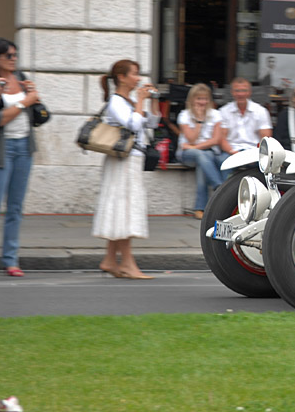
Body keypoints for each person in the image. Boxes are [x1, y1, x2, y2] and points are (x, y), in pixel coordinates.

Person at [93, 59, 160, 280]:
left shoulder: (130, 101)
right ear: (121, 77)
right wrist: (140, 100)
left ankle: (110, 260)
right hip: (123, 160)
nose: (139, 78)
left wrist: (152, 102)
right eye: (135, 74)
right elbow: (132, 124)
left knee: (121, 209)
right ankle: (128, 264)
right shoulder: (116, 101)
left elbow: (150, 123)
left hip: (133, 159)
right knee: (124, 210)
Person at [0, 40, 42, 277]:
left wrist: (35, 97)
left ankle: (11, 259)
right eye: (8, 55)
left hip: (25, 147)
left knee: (15, 207)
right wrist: (26, 101)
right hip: (2, 151)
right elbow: (0, 119)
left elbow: (36, 112)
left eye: (15, 55)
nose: (13, 59)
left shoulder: (22, 78)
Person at [176, 83, 228, 220]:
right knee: (202, 155)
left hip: (204, 153)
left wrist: (194, 147)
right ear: (192, 100)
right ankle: (219, 187)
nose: (202, 102)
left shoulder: (215, 115)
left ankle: (200, 208)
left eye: (205, 99)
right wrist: (199, 121)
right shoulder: (184, 115)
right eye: (199, 99)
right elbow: (192, 138)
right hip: (186, 154)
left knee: (203, 160)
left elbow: (216, 140)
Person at [220, 77, 273, 156]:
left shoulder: (261, 111)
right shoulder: (223, 111)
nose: (240, 94)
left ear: (250, 92)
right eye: (237, 91)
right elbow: (221, 139)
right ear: (232, 92)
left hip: (254, 151)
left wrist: (257, 153)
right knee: (221, 161)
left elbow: (266, 138)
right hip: (231, 151)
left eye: (244, 90)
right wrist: (232, 152)